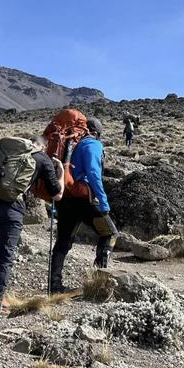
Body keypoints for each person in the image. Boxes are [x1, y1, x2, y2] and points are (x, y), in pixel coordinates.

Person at [0, 136, 64, 315]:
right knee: (5, 255)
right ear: (43, 147)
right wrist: (60, 172)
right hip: (12, 209)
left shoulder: (3, 153)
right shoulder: (42, 158)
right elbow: (57, 195)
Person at [50, 118, 118, 294]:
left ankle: (54, 286)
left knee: (63, 241)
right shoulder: (92, 144)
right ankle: (97, 283)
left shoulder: (73, 144)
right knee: (110, 233)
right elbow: (94, 173)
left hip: (66, 197)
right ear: (97, 133)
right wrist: (103, 201)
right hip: (83, 199)